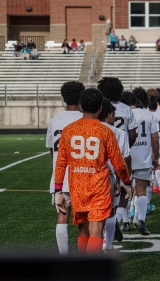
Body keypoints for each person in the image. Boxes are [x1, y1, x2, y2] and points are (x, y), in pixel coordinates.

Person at [53, 88, 132, 254]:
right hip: (98, 187)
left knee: (83, 228)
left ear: (81, 106)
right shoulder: (105, 132)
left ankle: (83, 268)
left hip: (78, 186)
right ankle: (91, 269)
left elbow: (60, 163)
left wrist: (58, 190)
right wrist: (127, 182)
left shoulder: (69, 130)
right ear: (101, 108)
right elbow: (119, 162)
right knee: (96, 228)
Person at [46, 81, 85, 255]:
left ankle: (64, 258)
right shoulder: (85, 119)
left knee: (62, 217)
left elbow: (52, 152)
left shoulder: (55, 120)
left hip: (60, 177)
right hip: (82, 176)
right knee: (83, 221)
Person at [98, 98, 131, 252]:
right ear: (110, 115)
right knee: (110, 211)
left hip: (85, 176)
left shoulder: (89, 129)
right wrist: (123, 181)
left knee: (92, 217)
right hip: (110, 177)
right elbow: (121, 160)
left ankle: (94, 248)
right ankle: (108, 245)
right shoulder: (118, 132)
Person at [130, 87, 160, 235]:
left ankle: (123, 220)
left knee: (124, 191)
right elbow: (155, 138)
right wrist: (156, 156)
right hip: (143, 157)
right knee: (141, 191)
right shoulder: (148, 115)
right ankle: (141, 220)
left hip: (127, 157)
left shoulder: (125, 114)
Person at [97, 77, 138, 148]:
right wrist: (125, 149)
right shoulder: (126, 108)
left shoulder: (97, 107)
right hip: (120, 148)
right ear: (119, 91)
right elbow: (132, 136)